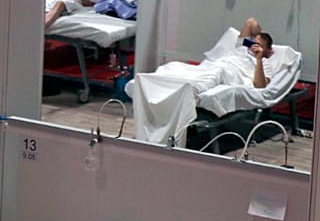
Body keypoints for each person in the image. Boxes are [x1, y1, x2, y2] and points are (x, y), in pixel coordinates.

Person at [129, 18, 302, 145]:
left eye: (258, 44)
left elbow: (260, 86)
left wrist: (259, 57)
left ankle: (190, 89)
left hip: (228, 73)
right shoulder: (240, 48)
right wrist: (255, 40)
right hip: (214, 66)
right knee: (175, 66)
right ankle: (162, 82)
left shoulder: (265, 63)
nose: (253, 45)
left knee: (213, 75)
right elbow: (251, 22)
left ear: (268, 51)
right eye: (252, 42)